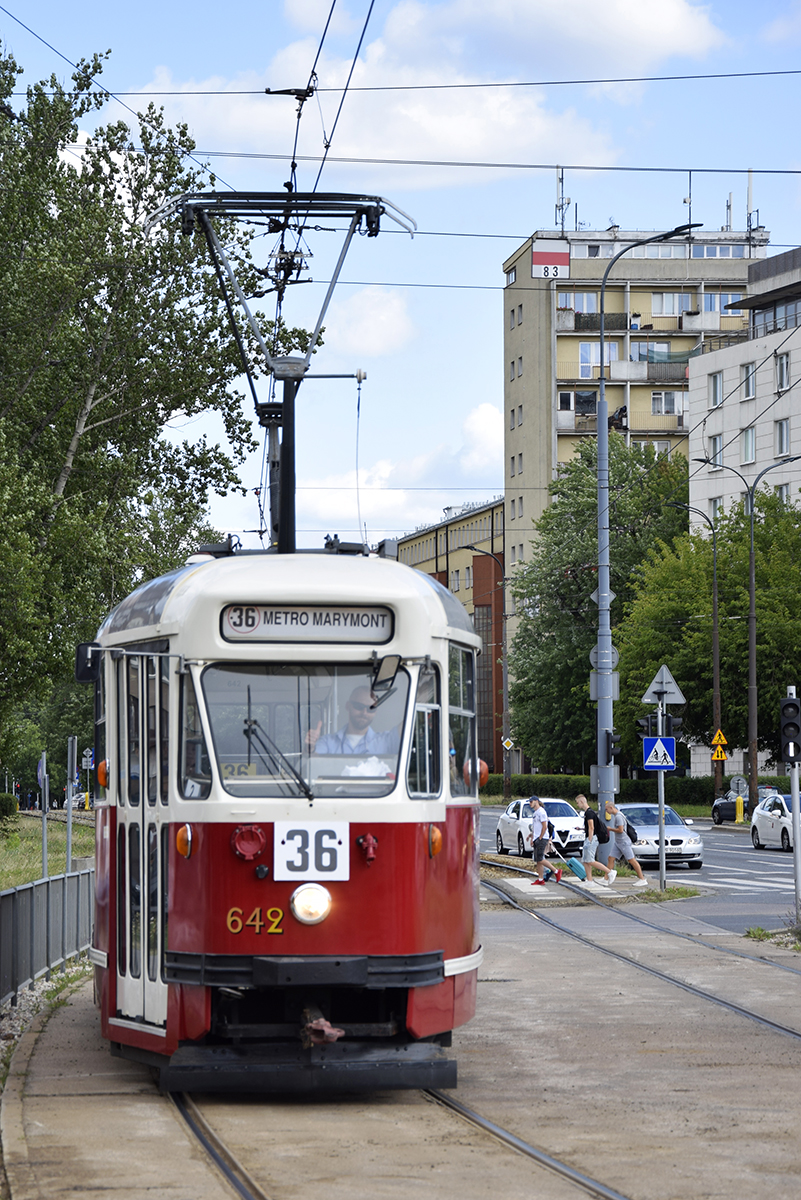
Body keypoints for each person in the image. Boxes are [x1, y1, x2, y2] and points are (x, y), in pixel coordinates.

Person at [307, 686, 401, 755]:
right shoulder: (327, 742)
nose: (364, 712)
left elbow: (409, 720)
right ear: (348, 706)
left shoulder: (386, 742)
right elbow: (312, 765)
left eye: (371, 708)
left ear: (376, 711)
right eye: (359, 706)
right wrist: (310, 748)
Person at [574, 794, 617, 886]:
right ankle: (589, 881)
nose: (578, 805)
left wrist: (589, 840)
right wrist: (581, 829)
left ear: (582, 802)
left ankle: (610, 872)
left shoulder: (589, 813)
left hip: (592, 838)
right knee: (585, 860)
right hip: (590, 837)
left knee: (590, 860)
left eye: (578, 803)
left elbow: (591, 827)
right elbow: (590, 827)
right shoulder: (589, 812)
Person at [605, 800, 649, 887]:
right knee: (610, 858)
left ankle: (642, 879)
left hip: (624, 842)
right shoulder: (617, 815)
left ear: (611, 808)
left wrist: (610, 829)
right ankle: (606, 878)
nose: (606, 812)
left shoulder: (618, 817)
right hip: (618, 842)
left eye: (607, 810)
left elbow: (620, 830)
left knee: (631, 860)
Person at [528, 796, 562, 886]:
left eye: (531, 802)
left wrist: (540, 837)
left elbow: (544, 826)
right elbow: (535, 827)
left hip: (542, 838)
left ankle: (556, 871)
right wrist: (532, 837)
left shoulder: (541, 812)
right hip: (537, 838)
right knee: (538, 860)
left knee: (540, 858)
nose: (530, 804)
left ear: (536, 801)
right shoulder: (536, 813)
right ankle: (540, 878)